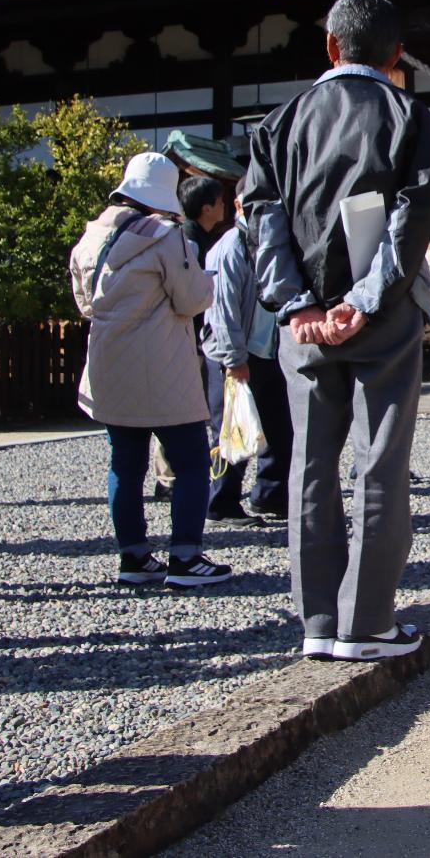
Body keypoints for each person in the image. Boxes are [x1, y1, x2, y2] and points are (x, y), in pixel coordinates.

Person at [241, 0, 430, 662]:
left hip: (301, 322)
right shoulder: (409, 116)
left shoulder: (279, 124)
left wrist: (295, 303)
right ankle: (368, 620)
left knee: (311, 462)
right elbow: (409, 220)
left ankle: (317, 620)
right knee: (380, 463)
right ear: (394, 56)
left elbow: (262, 220)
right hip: (379, 315)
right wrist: (364, 297)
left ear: (330, 46)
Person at [70, 153, 233, 588]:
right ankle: (185, 557)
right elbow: (192, 299)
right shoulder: (166, 236)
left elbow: (83, 304)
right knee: (192, 460)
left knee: (125, 463)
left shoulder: (91, 237)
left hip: (107, 362)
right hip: (161, 364)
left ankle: (134, 558)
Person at [201, 200, 291, 522]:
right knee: (232, 430)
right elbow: (221, 310)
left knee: (279, 429)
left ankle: (270, 495)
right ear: (239, 204)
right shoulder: (230, 247)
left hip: (267, 350)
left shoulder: (268, 243)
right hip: (236, 354)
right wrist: (234, 358)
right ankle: (220, 503)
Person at [158, 175, 230, 501]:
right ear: (206, 208)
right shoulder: (189, 240)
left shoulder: (194, 236)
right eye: (220, 201)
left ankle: (169, 475)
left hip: (189, 336)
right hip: (187, 336)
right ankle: (168, 476)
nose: (224, 206)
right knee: (178, 408)